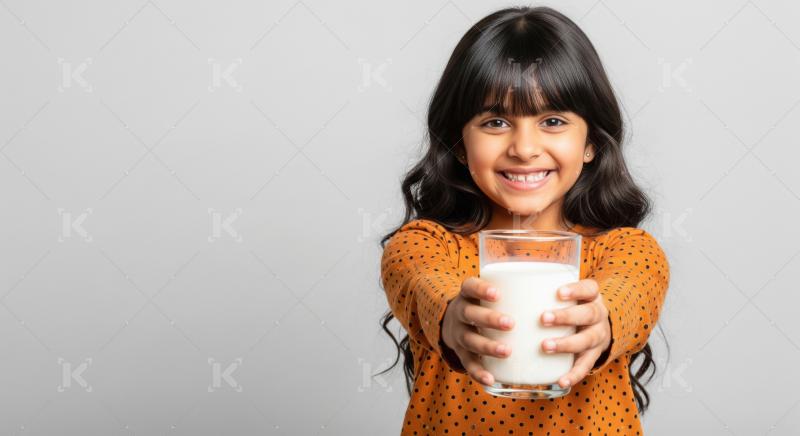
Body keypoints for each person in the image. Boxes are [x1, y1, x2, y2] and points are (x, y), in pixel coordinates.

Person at [377, 5, 671, 435]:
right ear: (460, 144)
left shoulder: (626, 251)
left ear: (590, 143)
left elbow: (631, 290)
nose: (525, 148)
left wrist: (602, 322)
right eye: (496, 122)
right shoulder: (424, 245)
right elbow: (420, 281)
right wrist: (452, 315)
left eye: (552, 121)